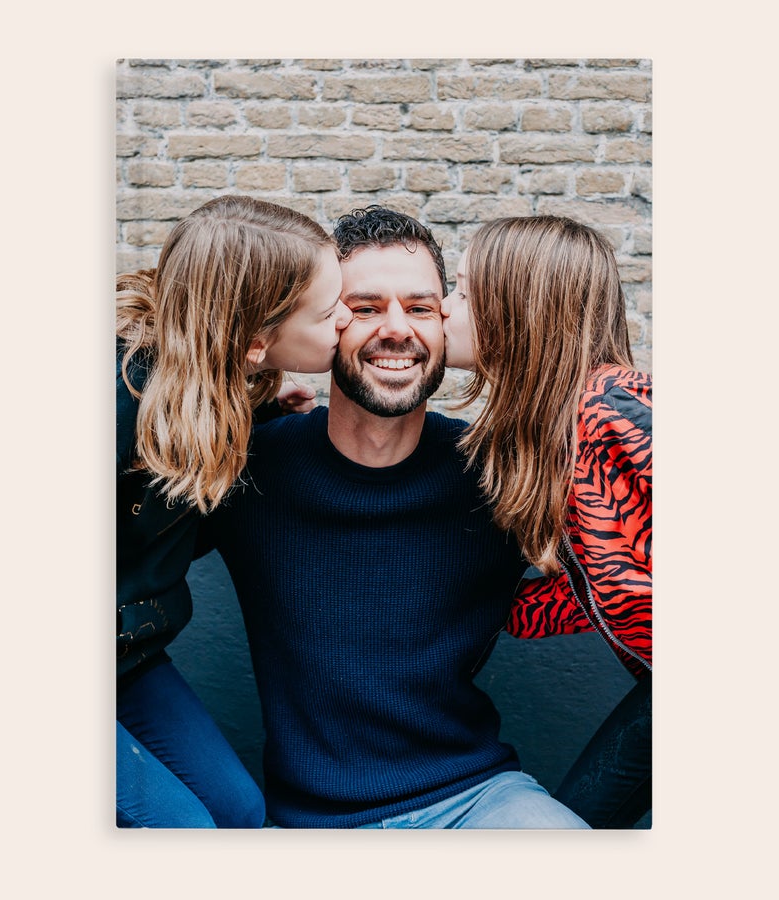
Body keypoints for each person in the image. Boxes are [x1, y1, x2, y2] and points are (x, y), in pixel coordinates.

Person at [202, 206, 590, 829]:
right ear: (325, 323)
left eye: (421, 307)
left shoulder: (506, 474)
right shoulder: (247, 467)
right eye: (365, 308)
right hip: (307, 822)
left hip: (478, 798)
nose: (397, 329)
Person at [116, 194, 351, 827]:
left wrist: (259, 420)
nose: (346, 319)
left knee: (240, 811)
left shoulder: (216, 391)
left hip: (129, 658)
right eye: (328, 310)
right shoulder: (117, 399)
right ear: (253, 342)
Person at [440, 214, 652, 828]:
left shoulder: (616, 406)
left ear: (517, 310)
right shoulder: (553, 438)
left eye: (463, 292)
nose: (445, 308)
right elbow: (599, 586)